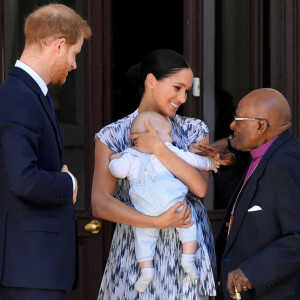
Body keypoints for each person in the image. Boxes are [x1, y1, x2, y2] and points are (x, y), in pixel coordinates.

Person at [92, 49, 217, 299]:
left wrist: (159, 148)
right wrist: (157, 223)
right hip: (136, 252)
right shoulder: (112, 135)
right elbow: (100, 204)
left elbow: (200, 188)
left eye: (186, 90)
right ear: (150, 81)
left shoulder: (194, 129)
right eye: (177, 87)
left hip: (187, 250)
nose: (182, 97)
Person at [0, 4, 91, 300]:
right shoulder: (19, 96)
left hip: (33, 265)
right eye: (74, 53)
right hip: (27, 266)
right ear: (59, 45)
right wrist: (69, 184)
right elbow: (23, 178)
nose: (74, 64)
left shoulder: (30, 93)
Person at [109, 111, 220, 292]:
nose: (173, 140)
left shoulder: (129, 156)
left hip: (145, 210)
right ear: (155, 133)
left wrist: (114, 159)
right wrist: (210, 164)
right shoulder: (170, 151)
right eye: (169, 134)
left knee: (143, 240)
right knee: (188, 224)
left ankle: (146, 272)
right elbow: (193, 160)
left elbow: (118, 171)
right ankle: (188, 259)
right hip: (173, 203)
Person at [214, 88, 300, 299]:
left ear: (261, 125)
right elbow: (247, 212)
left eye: (238, 119)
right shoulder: (262, 155)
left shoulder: (286, 162)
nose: (232, 126)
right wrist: (229, 168)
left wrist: (253, 271)